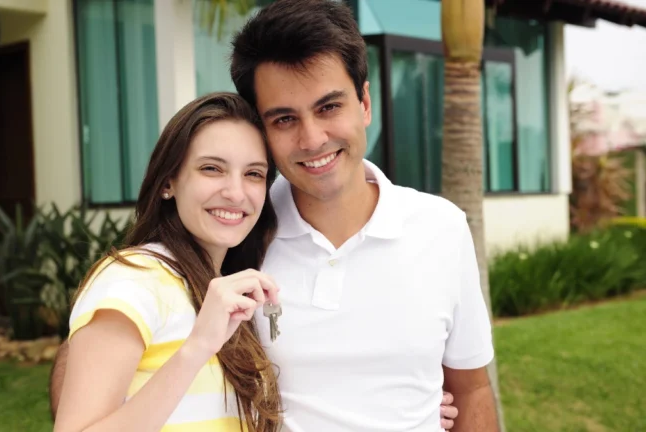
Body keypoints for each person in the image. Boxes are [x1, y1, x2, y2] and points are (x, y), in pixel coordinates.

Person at [51, 0, 494, 429]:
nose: (312, 138)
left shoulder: (442, 228)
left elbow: (471, 391)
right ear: (262, 129)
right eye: (284, 119)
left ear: (364, 103)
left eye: (329, 107)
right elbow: (95, 352)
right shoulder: (237, 234)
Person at [52, 92, 285, 432]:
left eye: (253, 174)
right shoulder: (134, 279)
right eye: (211, 168)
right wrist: (197, 349)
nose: (236, 193)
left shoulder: (228, 286)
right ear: (167, 183)